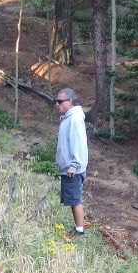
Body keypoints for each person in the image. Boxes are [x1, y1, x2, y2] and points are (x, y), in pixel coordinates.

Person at [55, 88, 88, 235]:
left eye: (60, 101)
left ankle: (80, 231)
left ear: (70, 101)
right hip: (68, 167)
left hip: (73, 169)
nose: (57, 104)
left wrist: (74, 164)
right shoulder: (68, 117)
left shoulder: (74, 118)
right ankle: (77, 228)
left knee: (75, 199)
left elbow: (79, 143)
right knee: (72, 199)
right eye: (56, 101)